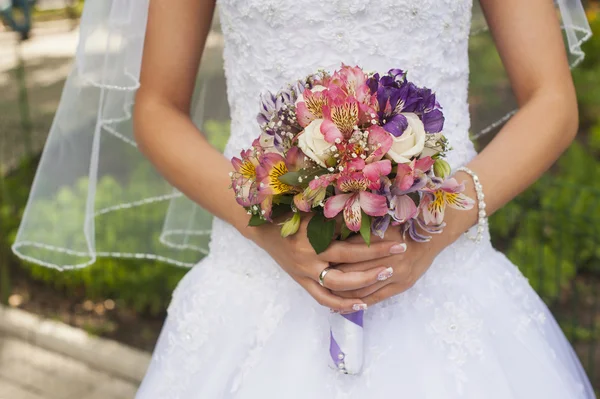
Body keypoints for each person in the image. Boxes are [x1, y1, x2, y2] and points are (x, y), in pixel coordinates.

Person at [128, 0, 595, 397]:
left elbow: (551, 100)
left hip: (445, 279)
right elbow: (157, 107)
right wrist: (268, 229)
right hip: (254, 285)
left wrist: (437, 226)